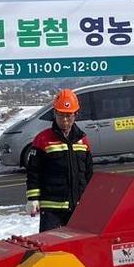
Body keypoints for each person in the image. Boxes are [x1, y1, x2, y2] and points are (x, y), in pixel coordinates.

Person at [25, 89, 94, 231]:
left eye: (69, 115)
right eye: (61, 115)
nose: (65, 120)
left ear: (76, 115)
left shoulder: (83, 140)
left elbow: (88, 173)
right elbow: (34, 172)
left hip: (77, 208)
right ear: (54, 114)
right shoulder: (42, 140)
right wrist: (32, 199)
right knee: (50, 250)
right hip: (51, 209)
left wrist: (90, 199)